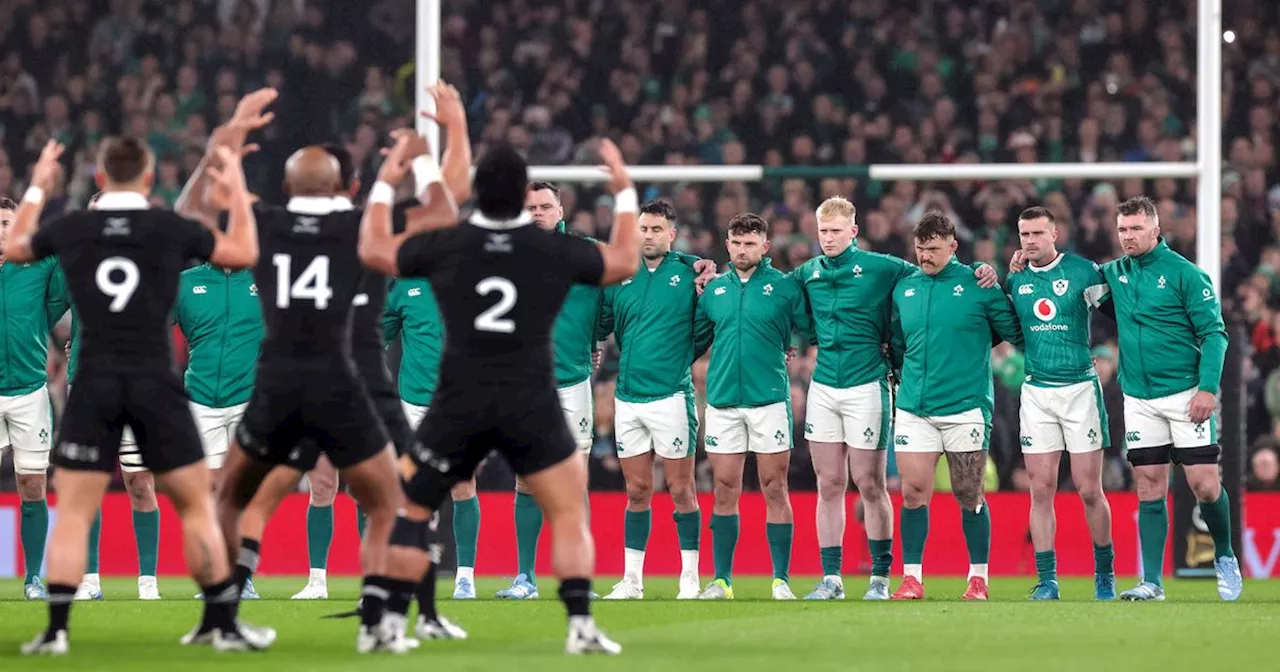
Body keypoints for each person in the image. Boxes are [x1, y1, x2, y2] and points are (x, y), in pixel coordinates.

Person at [356, 137, 641, 654]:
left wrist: (385, 180)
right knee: (569, 511)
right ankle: (580, 624)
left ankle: (391, 624)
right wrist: (622, 190)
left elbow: (373, 250)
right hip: (530, 397)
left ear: (477, 193)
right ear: (519, 197)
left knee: (413, 510)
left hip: (457, 399)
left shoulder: (448, 241)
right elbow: (623, 262)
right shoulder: (551, 245)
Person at [9, 136, 267, 655]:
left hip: (94, 380)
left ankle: (55, 632)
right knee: (196, 506)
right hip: (155, 381)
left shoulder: (75, 228)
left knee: (76, 510)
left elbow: (15, 247)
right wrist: (235, 184)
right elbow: (244, 252)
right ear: (149, 181)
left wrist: (38, 186)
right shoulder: (165, 227)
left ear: (98, 180)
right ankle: (222, 623)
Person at [782, 196, 998, 600]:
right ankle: (832, 578)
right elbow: (772, 294)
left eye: (835, 231)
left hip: (868, 384)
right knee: (828, 483)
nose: (828, 238)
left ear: (853, 231)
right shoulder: (807, 272)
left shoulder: (885, 268)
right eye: (822, 231)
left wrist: (980, 271)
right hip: (824, 385)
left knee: (870, 482)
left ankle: (881, 579)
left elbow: (932, 272)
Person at [1100, 196, 1240, 601]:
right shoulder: (1114, 274)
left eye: (1135, 229)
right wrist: (1022, 262)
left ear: (1155, 230)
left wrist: (1208, 389)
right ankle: (1152, 583)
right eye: (1122, 229)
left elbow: (1214, 334)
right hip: (1139, 397)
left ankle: (1225, 556)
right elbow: (1071, 276)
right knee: (1148, 486)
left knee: (1204, 485)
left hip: (1185, 394)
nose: (1127, 236)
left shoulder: (1186, 274)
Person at [887, 211, 1022, 601]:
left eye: (932, 249)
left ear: (953, 246)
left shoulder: (979, 285)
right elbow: (898, 342)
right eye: (919, 249)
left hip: (965, 406)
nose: (924, 257)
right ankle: (912, 578)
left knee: (969, 492)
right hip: (915, 406)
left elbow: (1012, 329)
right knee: (913, 492)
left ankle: (977, 578)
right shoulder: (905, 288)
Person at [489, 181, 605, 600]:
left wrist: (595, 341)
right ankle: (525, 578)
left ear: (561, 210)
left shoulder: (586, 253)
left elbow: (614, 297)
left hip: (572, 382)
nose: (537, 212)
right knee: (526, 481)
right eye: (530, 207)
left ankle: (579, 578)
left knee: (574, 481)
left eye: (544, 206)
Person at [596, 199, 716, 601]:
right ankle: (632, 580)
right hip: (628, 398)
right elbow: (599, 325)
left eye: (656, 230)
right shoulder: (620, 276)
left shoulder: (690, 272)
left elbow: (707, 325)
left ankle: (689, 576)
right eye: (643, 229)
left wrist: (682, 358)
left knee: (682, 489)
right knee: (637, 491)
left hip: (672, 397)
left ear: (671, 234)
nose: (648, 235)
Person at [691, 213, 811, 600]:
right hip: (724, 402)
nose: (742, 250)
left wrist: (799, 351)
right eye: (736, 243)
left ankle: (781, 580)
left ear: (765, 246)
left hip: (769, 401)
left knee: (774, 486)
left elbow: (812, 328)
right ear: (727, 245)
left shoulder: (785, 288)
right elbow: (694, 340)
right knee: (725, 488)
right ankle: (722, 580)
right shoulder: (712, 291)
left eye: (750, 243)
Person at [1004, 206, 1115, 600]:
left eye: (1037, 233)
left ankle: (1104, 575)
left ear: (1055, 234)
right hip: (1036, 392)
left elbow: (1118, 313)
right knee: (1041, 489)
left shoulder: (1084, 272)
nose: (1030, 241)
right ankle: (1048, 579)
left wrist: (1113, 353)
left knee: (1089, 489)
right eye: (1024, 235)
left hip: (1081, 390)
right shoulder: (1015, 280)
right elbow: (1012, 332)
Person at [0, 196, 70, 601]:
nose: (3, 230)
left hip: (29, 391)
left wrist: (37, 327)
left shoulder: (40, 264)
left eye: (9, 222)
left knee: (32, 485)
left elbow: (61, 295)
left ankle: (32, 579)